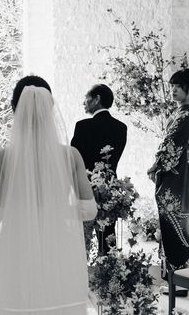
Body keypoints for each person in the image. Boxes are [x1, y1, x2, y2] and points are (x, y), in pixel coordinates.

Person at [0, 76, 97, 315]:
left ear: (14, 108)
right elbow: (89, 210)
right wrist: (54, 209)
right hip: (58, 245)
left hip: (16, 248)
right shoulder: (70, 156)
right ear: (50, 108)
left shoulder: (1, 158)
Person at [147, 69, 189, 286]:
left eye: (178, 86)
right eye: (172, 86)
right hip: (179, 171)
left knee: (173, 217)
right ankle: (177, 275)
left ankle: (177, 278)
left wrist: (157, 165)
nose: (174, 90)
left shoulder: (186, 115)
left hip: (174, 173)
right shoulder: (183, 114)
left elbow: (172, 144)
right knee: (175, 217)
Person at [70, 83, 127, 254]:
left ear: (97, 99)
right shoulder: (121, 128)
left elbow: (74, 159)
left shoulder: (83, 126)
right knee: (107, 238)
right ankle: (109, 267)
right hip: (110, 190)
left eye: (86, 98)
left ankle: (82, 268)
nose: (84, 103)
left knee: (82, 239)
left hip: (85, 188)